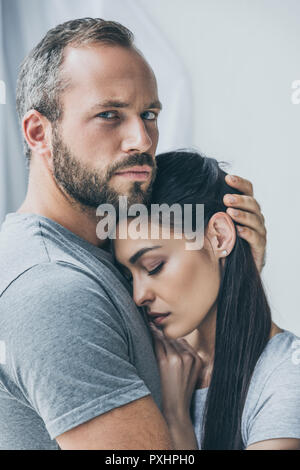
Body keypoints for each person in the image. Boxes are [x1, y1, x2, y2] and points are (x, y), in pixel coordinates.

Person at [0, 18, 266, 450]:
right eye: (109, 115)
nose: (141, 139)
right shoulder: (54, 290)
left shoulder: (104, 250)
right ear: (38, 133)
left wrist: (232, 273)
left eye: (149, 114)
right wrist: (178, 422)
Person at [113, 150, 300, 450]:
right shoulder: (158, 362)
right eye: (128, 276)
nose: (139, 295)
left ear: (219, 237)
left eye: (154, 266)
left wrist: (176, 419)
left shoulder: (287, 376)